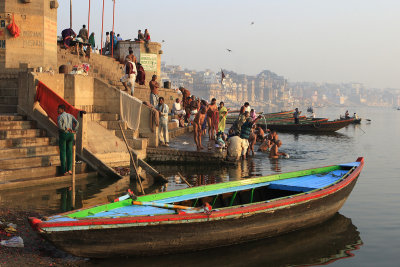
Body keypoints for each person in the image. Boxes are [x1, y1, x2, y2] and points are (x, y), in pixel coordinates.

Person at [57, 104, 79, 176]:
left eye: (59, 109)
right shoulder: (70, 115)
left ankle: (64, 171)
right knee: (69, 152)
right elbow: (77, 123)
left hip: (64, 134)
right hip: (71, 135)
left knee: (63, 152)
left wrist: (66, 129)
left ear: (62, 110)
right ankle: (69, 170)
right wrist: (74, 130)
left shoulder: (60, 116)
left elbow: (60, 127)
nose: (57, 110)